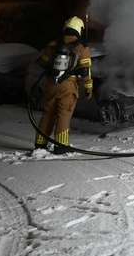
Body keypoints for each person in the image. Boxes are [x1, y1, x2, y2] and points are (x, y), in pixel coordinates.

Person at [33, 16, 93, 155]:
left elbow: (42, 62)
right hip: (68, 86)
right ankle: (61, 146)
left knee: (48, 113)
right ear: (79, 30)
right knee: (63, 115)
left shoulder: (53, 44)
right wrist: (88, 87)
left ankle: (40, 144)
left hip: (51, 85)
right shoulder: (81, 47)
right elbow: (85, 70)